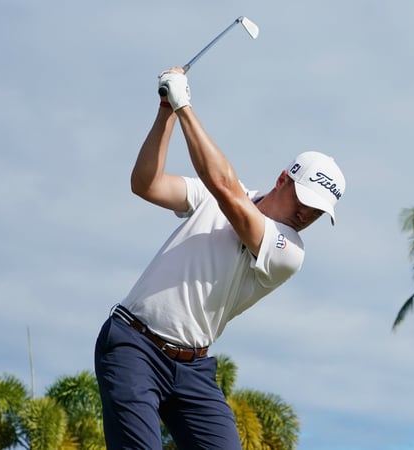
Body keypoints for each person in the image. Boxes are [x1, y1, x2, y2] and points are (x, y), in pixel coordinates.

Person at [94, 66, 346, 449]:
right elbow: (146, 184)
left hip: (193, 369)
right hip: (134, 344)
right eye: (305, 201)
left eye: (316, 212)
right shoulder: (214, 197)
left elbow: (226, 190)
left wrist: (184, 105)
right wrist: (166, 111)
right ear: (283, 179)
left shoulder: (289, 252)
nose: (305, 215)